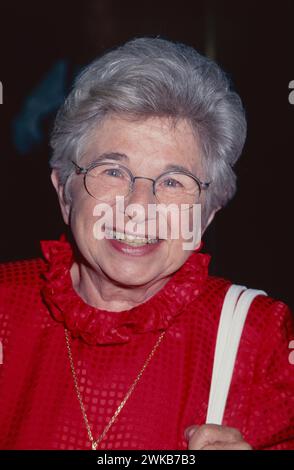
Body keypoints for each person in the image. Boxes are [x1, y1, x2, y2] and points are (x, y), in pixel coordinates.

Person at [0, 37, 293, 451]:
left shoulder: (260, 339)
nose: (139, 207)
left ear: (207, 214)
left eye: (173, 182)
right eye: (112, 171)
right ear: (65, 192)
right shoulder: (4, 309)